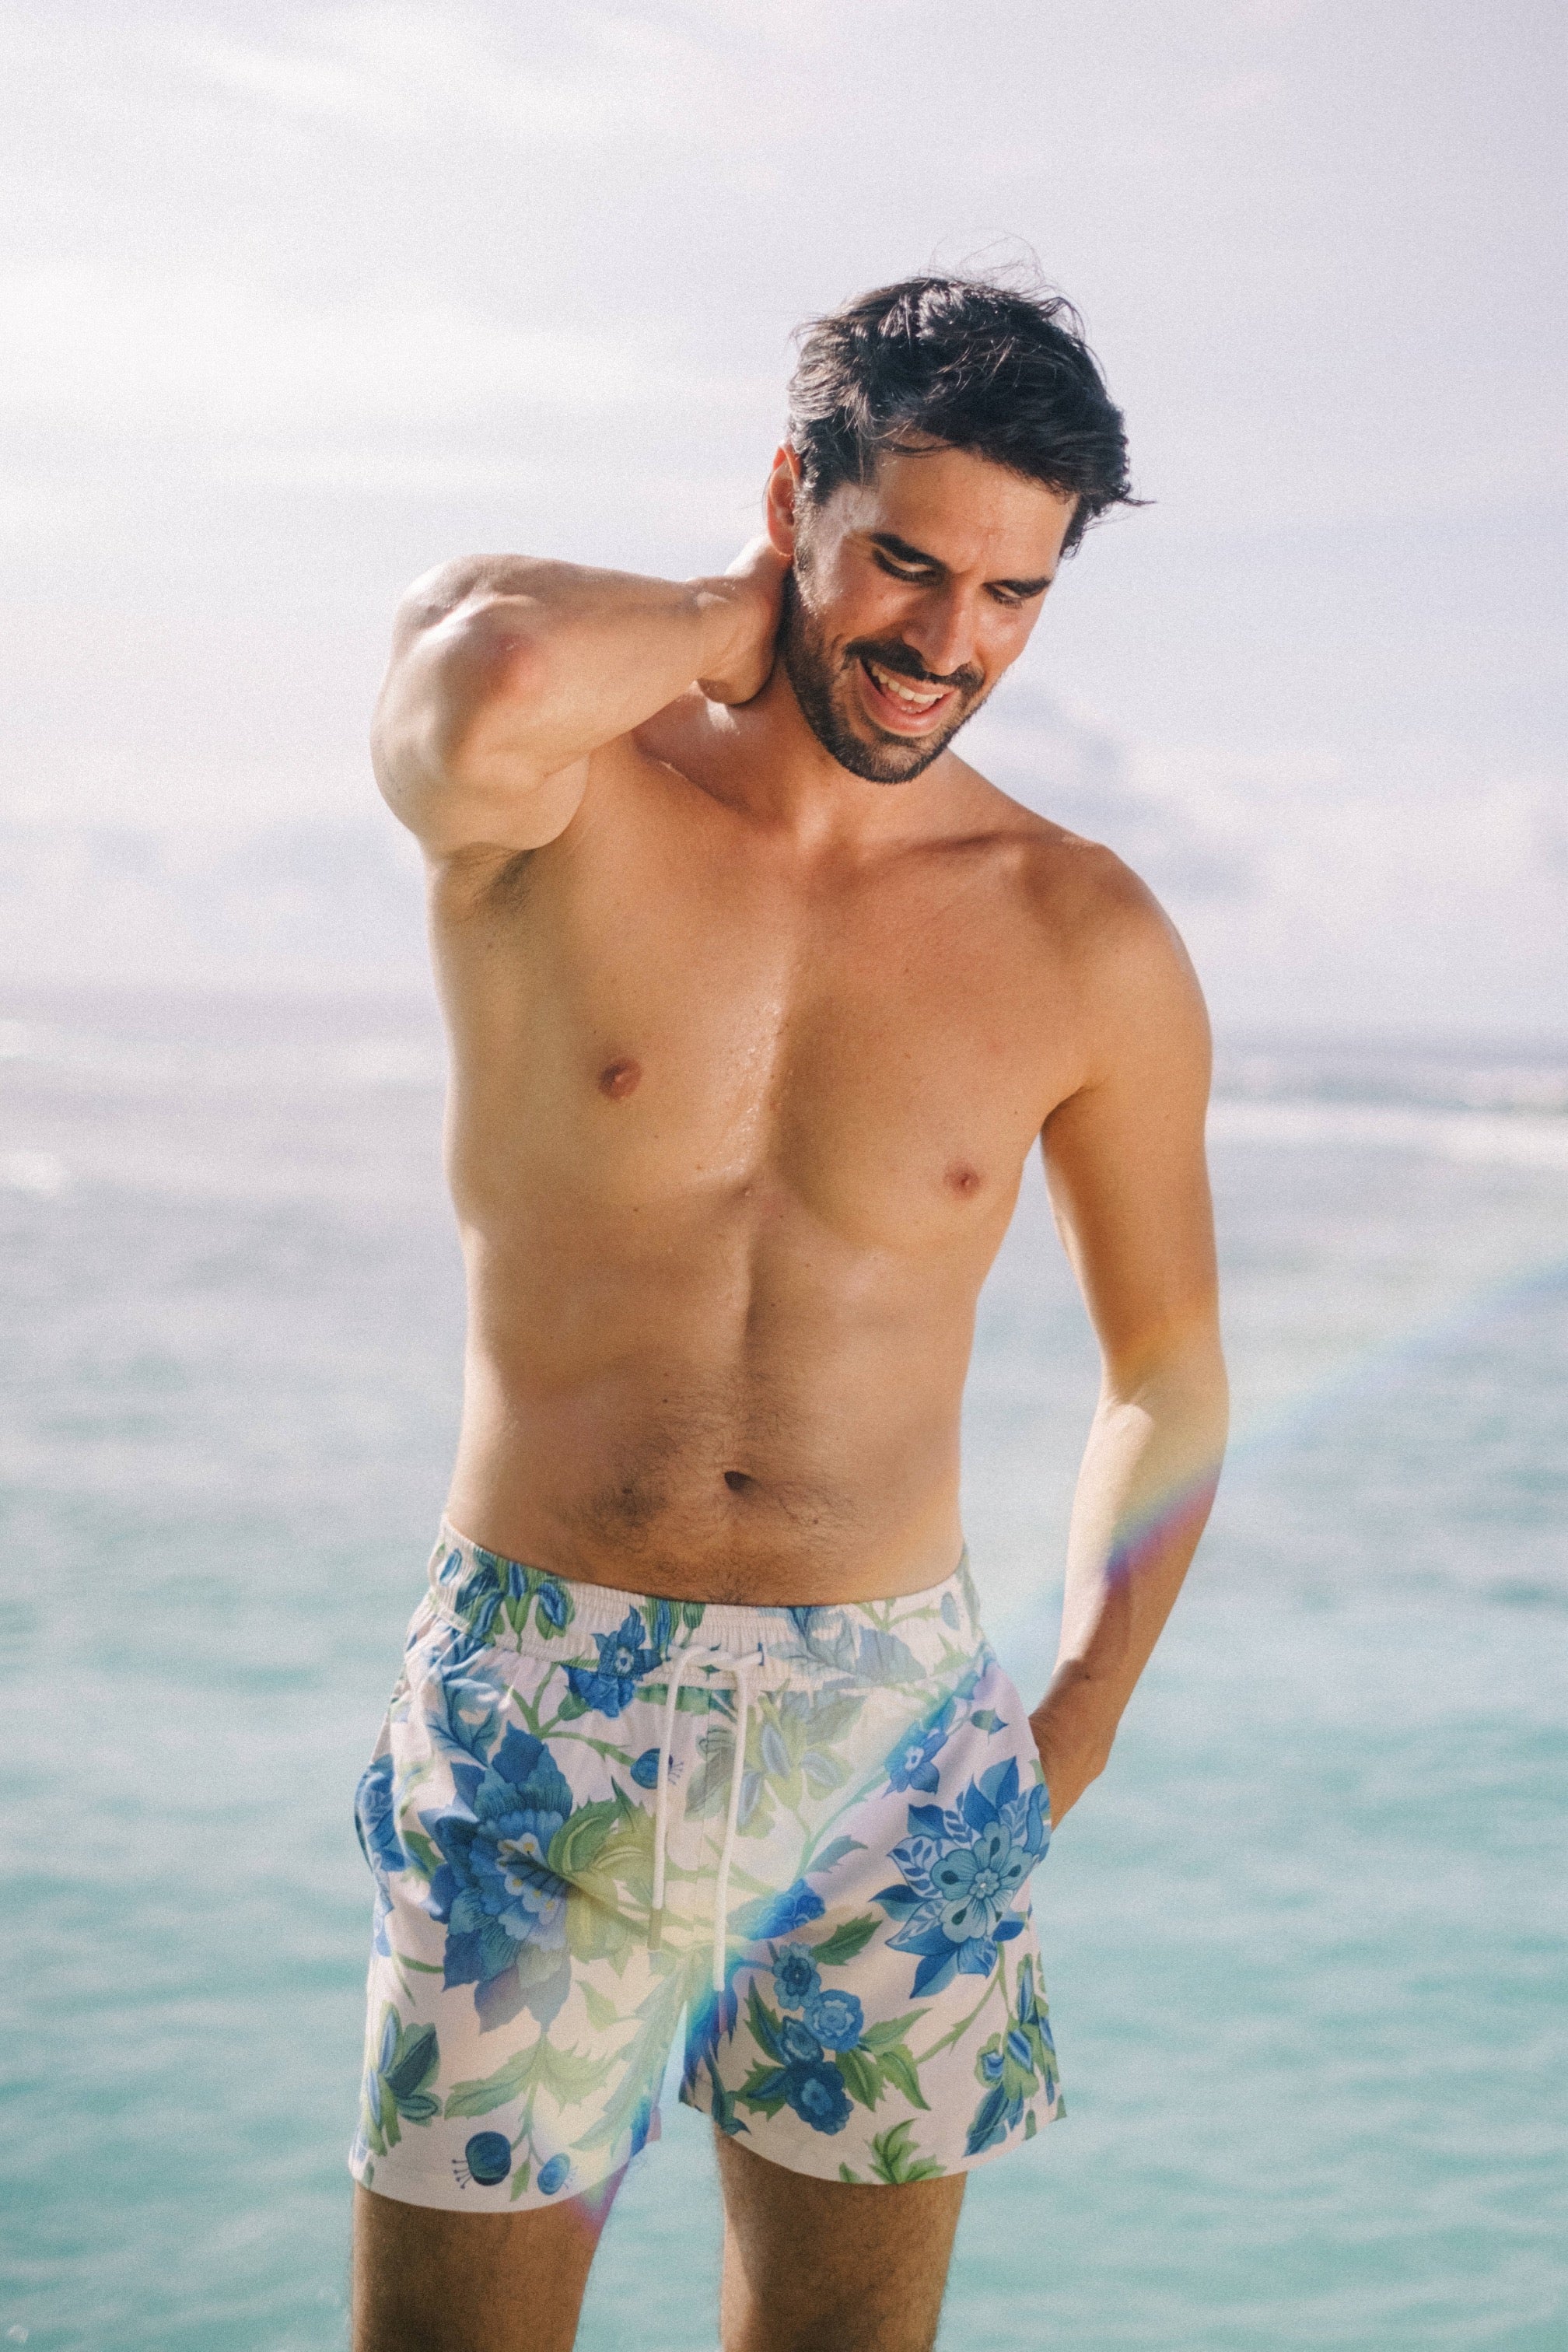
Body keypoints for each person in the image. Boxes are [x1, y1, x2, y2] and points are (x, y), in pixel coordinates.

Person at [349, 273, 1228, 2352]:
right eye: (904, 562)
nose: (948, 643)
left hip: (894, 1731)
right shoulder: (570, 795)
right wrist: (730, 619)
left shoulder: (1083, 932)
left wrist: (1075, 1721)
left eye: (1013, 594)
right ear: (790, 505)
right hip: (542, 1698)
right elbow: (481, 678)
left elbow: (1168, 1367)